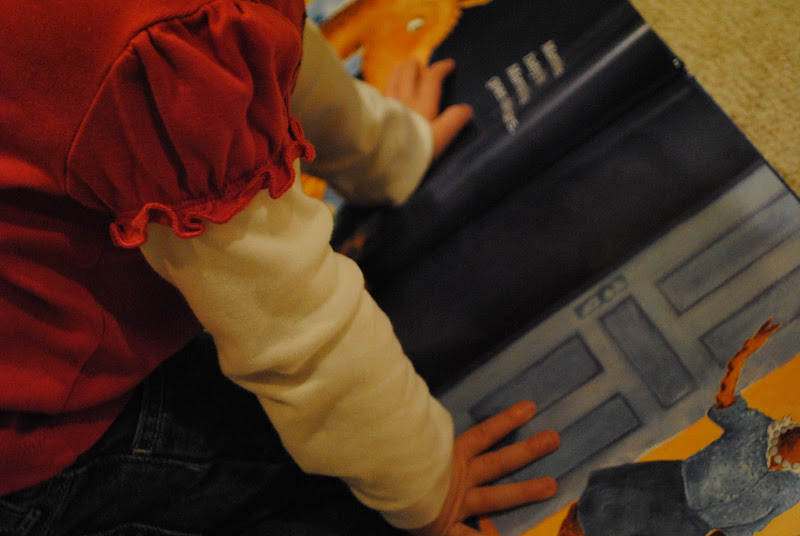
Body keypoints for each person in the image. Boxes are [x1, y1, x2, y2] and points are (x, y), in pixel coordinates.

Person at [0, 1, 560, 534]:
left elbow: (264, 39)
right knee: (343, 500)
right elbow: (289, 321)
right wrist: (432, 485)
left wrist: (382, 152)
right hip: (37, 434)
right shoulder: (164, 50)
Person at [558, 319, 800, 536]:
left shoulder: (792, 491)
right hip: (665, 485)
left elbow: (747, 529)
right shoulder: (756, 427)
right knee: (596, 515)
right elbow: (725, 399)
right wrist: (743, 355)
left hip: (689, 529)